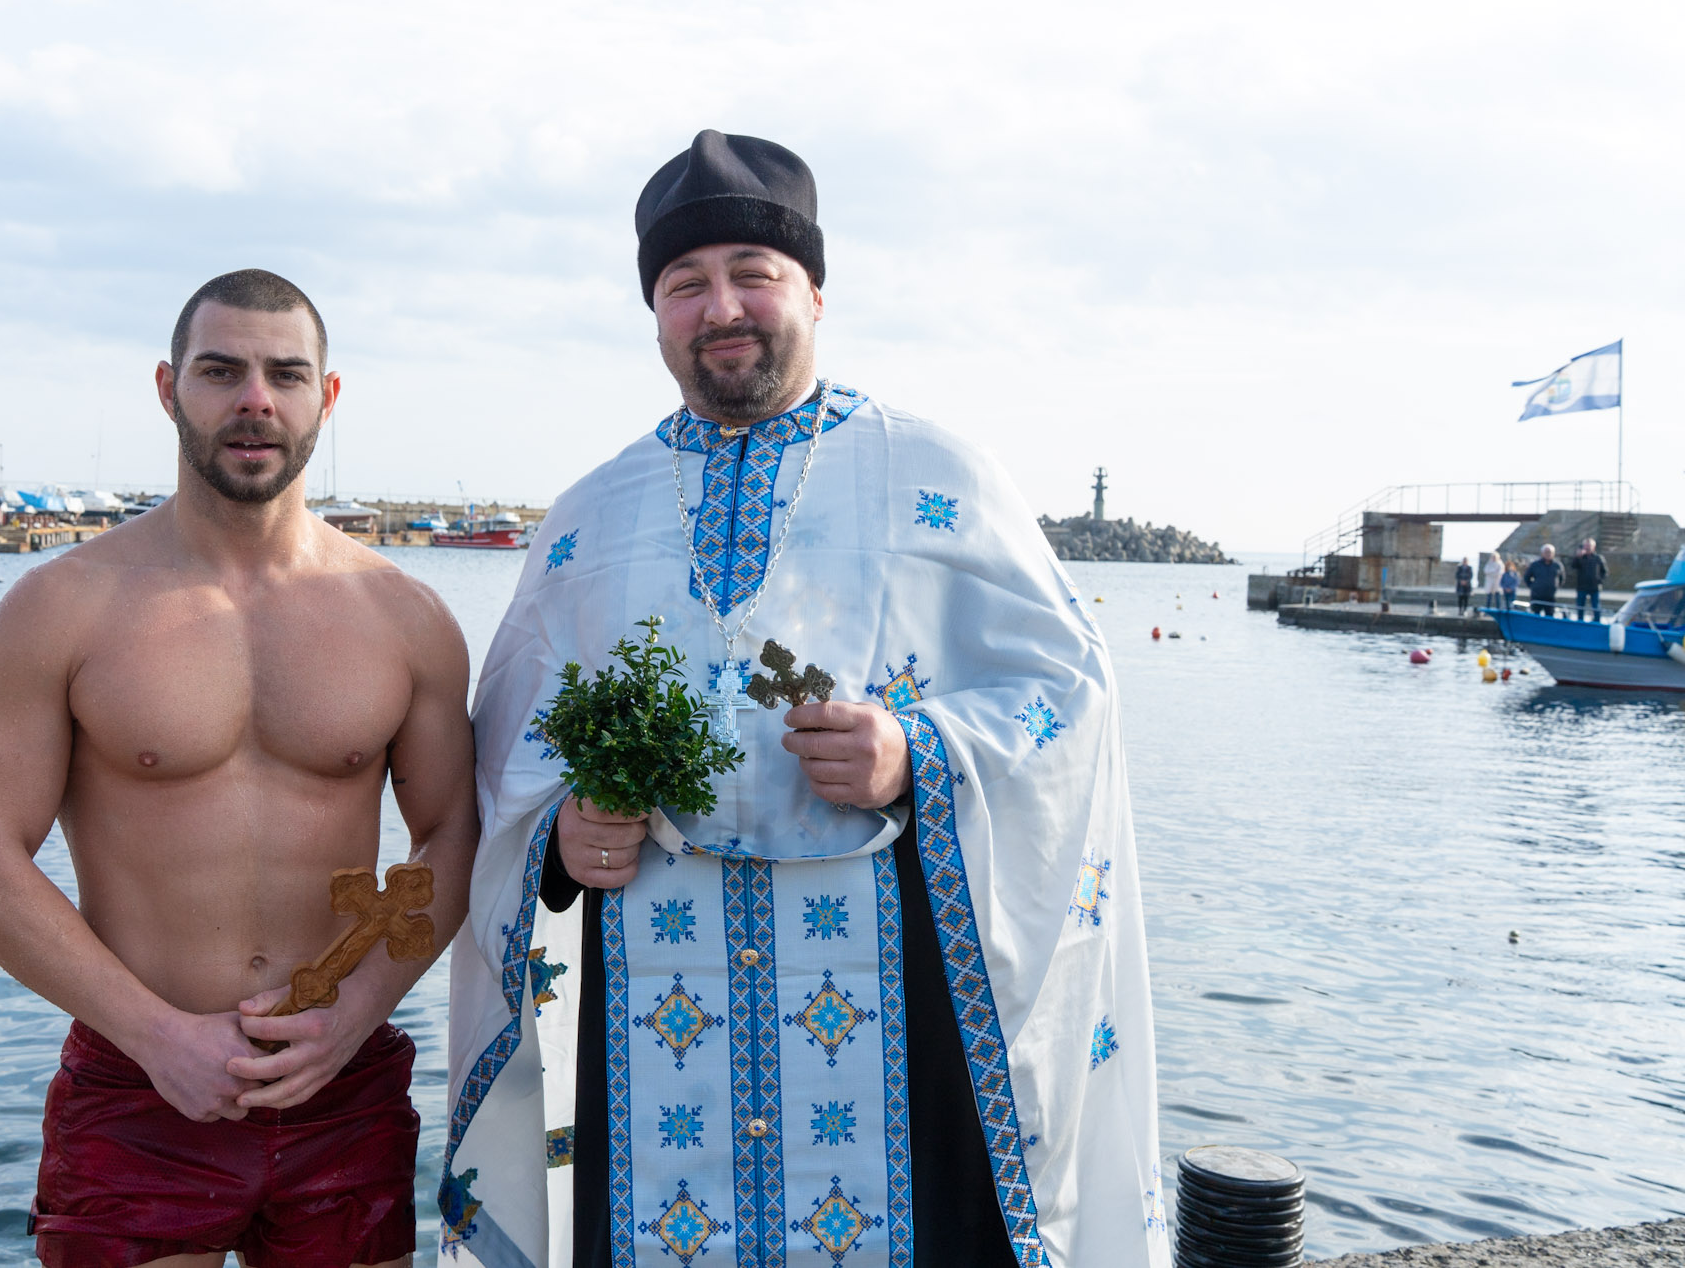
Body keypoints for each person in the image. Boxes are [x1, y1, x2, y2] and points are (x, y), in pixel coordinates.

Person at [442, 131, 1164, 1267]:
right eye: (686, 284)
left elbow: (1068, 698)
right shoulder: (589, 518)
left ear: (815, 292)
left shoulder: (937, 476)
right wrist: (561, 839)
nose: (721, 306)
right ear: (655, 314)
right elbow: (505, 757)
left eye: (753, 273)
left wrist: (917, 753)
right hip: (648, 1008)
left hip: (901, 1009)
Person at [0, 268, 480, 1268]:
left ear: (326, 396)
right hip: (138, 1087)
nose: (254, 400)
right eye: (221, 370)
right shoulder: (63, 607)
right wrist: (155, 1035)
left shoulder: (404, 618)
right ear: (167, 387)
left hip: (342, 1085)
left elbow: (452, 833)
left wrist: (357, 1012)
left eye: (286, 375)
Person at [1572, 537, 1609, 622]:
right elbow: (1573, 566)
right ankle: (1580, 622)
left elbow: (1605, 572)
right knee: (1580, 606)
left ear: (1593, 547)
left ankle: (1597, 622)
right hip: (1582, 586)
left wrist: (1599, 580)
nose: (1587, 548)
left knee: (1596, 607)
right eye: (1586, 546)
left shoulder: (1598, 558)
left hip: (1594, 587)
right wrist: (1577, 557)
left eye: (1589, 546)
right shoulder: (1580, 557)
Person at [1524, 543, 1564, 617]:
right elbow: (1527, 578)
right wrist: (1533, 587)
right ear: (1542, 553)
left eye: (1550, 552)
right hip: (1537, 596)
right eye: (1546, 552)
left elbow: (1561, 579)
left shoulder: (1557, 565)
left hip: (1550, 596)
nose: (1548, 554)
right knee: (1535, 616)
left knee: (1550, 617)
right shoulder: (1535, 565)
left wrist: (1555, 587)